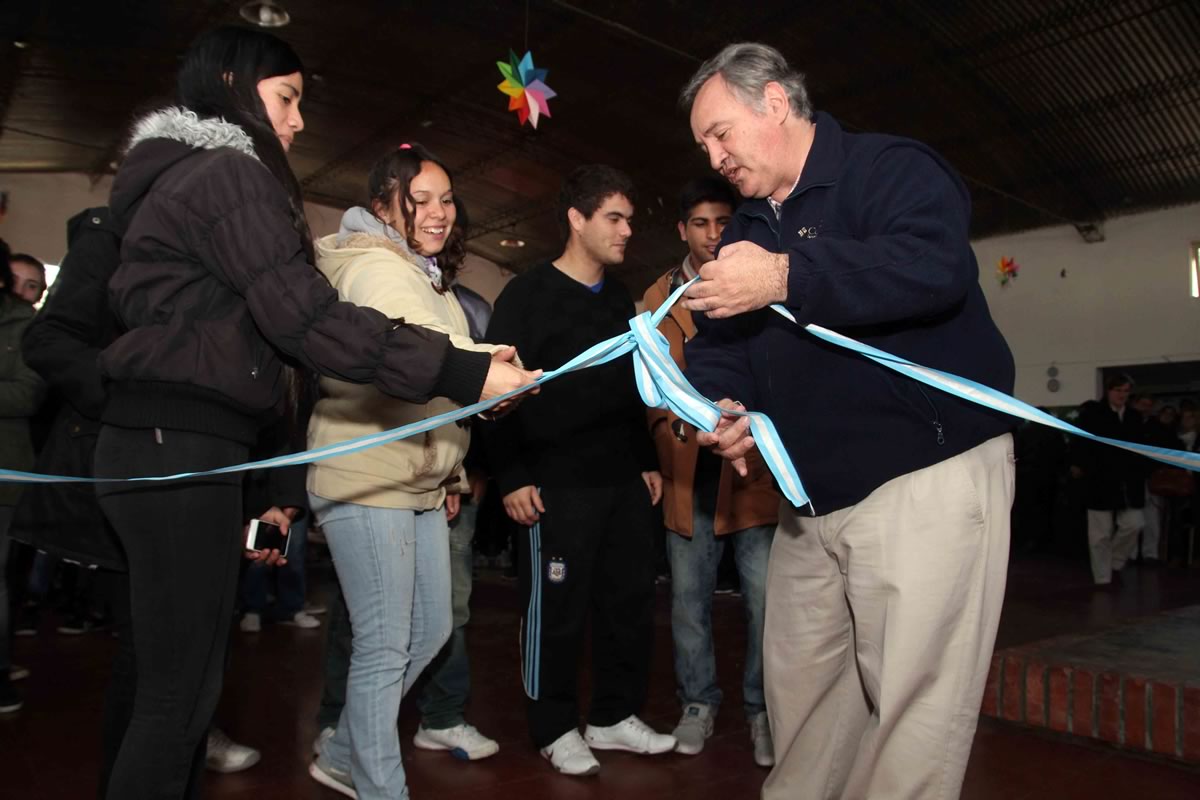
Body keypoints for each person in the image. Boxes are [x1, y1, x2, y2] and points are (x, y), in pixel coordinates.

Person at [92, 27, 536, 800]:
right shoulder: (229, 175)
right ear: (232, 82)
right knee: (178, 694)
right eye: (287, 98)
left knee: (173, 686)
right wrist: (465, 370)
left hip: (181, 444)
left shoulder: (189, 177)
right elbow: (310, 323)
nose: (296, 121)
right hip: (179, 444)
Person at [679, 43, 1017, 799]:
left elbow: (933, 268)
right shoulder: (747, 231)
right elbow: (719, 342)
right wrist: (722, 406)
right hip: (809, 495)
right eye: (704, 144)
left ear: (773, 101)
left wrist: (786, 278)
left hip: (922, 474)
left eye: (721, 132)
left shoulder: (888, 168)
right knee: (803, 700)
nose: (716, 155)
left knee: (914, 708)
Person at [306, 144, 517, 799]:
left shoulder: (421, 273)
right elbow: (412, 348)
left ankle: (343, 752)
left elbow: (438, 364)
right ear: (381, 205)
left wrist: (451, 474)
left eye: (446, 199)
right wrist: (487, 370)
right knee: (382, 643)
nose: (438, 212)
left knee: (429, 629)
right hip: (369, 475)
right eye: (419, 199)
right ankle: (379, 786)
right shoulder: (372, 267)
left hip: (419, 481)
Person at [483, 165, 675, 778]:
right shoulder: (526, 295)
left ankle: (614, 716)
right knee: (555, 612)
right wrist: (510, 475)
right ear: (577, 219)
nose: (626, 231)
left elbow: (628, 389)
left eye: (629, 219)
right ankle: (553, 726)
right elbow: (496, 393)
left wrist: (645, 460)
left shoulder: (620, 299)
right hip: (552, 484)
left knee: (628, 604)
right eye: (614, 218)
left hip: (620, 481)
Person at [643, 177, 777, 766]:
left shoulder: (759, 284)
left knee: (766, 600)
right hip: (685, 471)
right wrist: (662, 433)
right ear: (682, 230)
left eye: (723, 222)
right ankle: (697, 703)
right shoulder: (655, 297)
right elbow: (645, 384)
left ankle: (763, 710)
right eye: (700, 223)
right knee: (688, 602)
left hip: (748, 473)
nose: (713, 234)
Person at [0, 240, 45, 714]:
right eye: (15, 282)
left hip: (13, 469)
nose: (21, 292)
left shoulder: (26, 329)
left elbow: (28, 395)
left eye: (32, 285)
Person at [1071, 375, 1149, 585]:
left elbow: (1140, 445)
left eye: (1125, 391)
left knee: (1135, 523)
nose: (1122, 395)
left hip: (1128, 481)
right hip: (1099, 480)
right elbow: (1080, 442)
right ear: (1108, 391)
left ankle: (1116, 559)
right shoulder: (1093, 414)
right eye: (1118, 390)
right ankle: (1102, 577)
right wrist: (1080, 465)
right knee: (1100, 534)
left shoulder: (1134, 416)